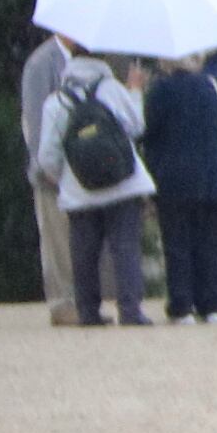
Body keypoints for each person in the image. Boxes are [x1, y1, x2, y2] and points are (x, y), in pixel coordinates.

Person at [43, 46, 155, 327]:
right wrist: (135, 92)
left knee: (84, 253)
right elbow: (136, 125)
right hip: (123, 184)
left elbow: (47, 155)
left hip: (80, 190)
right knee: (125, 248)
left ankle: (89, 312)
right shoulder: (112, 89)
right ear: (102, 59)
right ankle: (131, 310)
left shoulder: (56, 101)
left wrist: (66, 177)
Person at [144, 46, 217, 321]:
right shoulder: (211, 86)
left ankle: (182, 304)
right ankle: (211, 305)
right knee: (212, 243)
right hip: (213, 174)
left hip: (173, 176)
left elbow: (150, 134)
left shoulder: (159, 91)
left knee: (177, 243)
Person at [24, 31, 81, 325]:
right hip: (51, 169)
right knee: (57, 239)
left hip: (81, 168)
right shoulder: (41, 63)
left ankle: (82, 301)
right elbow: (34, 121)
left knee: (79, 239)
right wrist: (45, 166)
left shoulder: (82, 58)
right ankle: (62, 303)